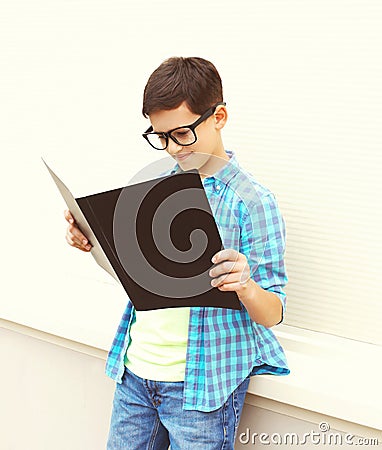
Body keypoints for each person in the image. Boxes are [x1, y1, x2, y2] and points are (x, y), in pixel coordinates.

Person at [64, 56, 289, 450]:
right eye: (161, 136)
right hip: (135, 373)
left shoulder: (252, 202)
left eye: (182, 133)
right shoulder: (154, 188)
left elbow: (273, 312)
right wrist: (94, 243)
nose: (172, 148)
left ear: (219, 116)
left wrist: (245, 286)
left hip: (202, 389)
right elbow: (141, 277)